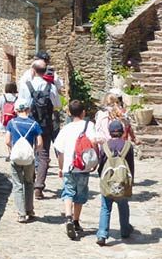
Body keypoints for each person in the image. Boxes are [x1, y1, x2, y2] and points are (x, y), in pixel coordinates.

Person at [17, 60, 60, 199]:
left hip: (28, 124)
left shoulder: (25, 86)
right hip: (45, 125)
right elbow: (57, 105)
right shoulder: (50, 87)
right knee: (44, 155)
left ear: (33, 71)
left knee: (28, 151)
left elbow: (21, 105)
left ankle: (29, 180)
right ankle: (39, 186)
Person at [55, 100, 98, 240]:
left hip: (68, 166)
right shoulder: (89, 125)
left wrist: (61, 167)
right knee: (80, 194)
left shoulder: (65, 129)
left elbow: (59, 151)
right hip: (83, 166)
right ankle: (76, 221)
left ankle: (68, 217)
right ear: (83, 112)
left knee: (68, 192)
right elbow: (94, 142)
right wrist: (94, 160)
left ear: (69, 113)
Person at [96, 119, 135, 246]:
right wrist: (131, 180)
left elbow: (101, 164)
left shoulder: (105, 146)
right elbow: (130, 165)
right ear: (123, 132)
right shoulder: (128, 146)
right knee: (123, 206)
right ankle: (124, 231)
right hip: (122, 181)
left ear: (110, 132)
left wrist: (101, 176)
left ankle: (102, 234)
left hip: (108, 182)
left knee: (105, 208)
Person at [5, 102, 43, 223]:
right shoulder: (34, 124)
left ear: (16, 110)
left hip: (16, 158)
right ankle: (29, 210)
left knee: (17, 185)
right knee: (29, 183)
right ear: (28, 109)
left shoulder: (12, 123)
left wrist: (12, 150)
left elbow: (7, 141)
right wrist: (34, 151)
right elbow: (40, 143)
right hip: (28, 159)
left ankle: (21, 214)